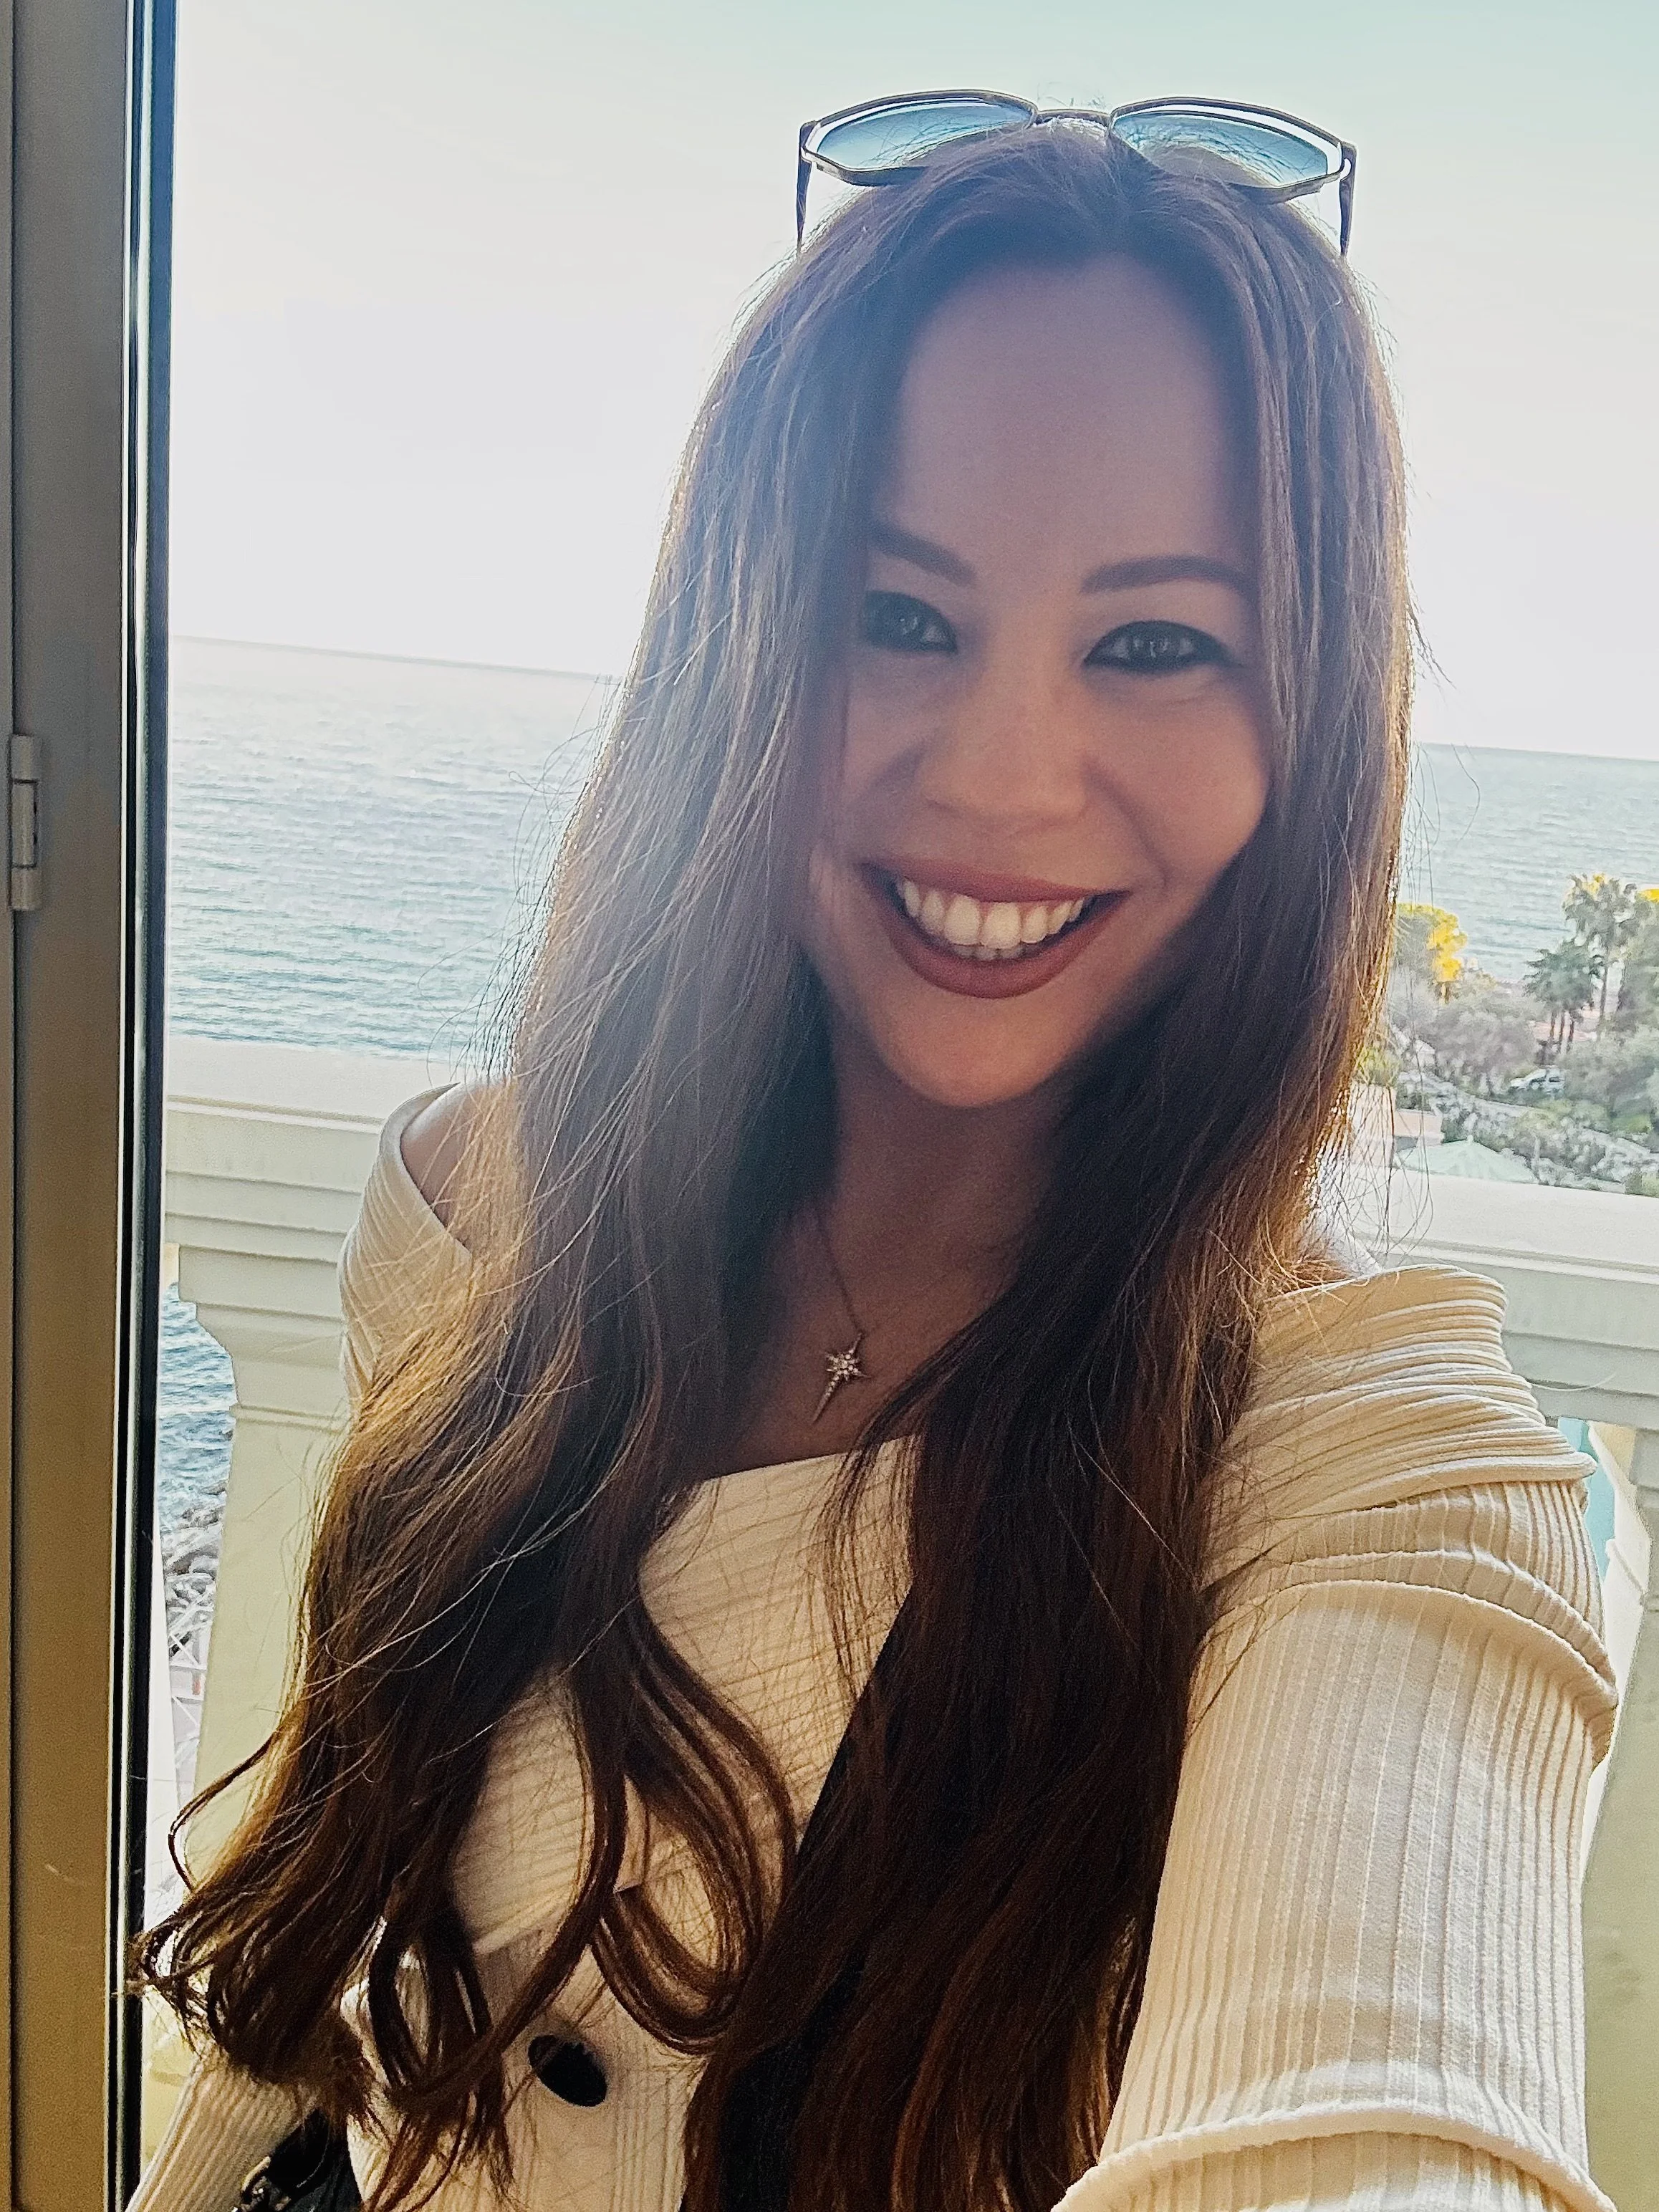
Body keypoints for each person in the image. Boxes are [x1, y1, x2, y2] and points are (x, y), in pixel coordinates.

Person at [134, 106, 1617, 2212]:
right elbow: (324, 1976)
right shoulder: (494, 1205)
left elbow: (1376, 2114)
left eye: (1156, 643)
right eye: (892, 616)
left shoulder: (1362, 1464)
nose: (1003, 773)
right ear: (734, 645)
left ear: (1310, 720)